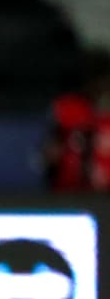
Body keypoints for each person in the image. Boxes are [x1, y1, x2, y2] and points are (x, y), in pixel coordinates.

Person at [42, 48, 110, 192]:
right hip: (69, 191)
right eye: (96, 80)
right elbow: (51, 151)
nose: (100, 87)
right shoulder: (68, 108)